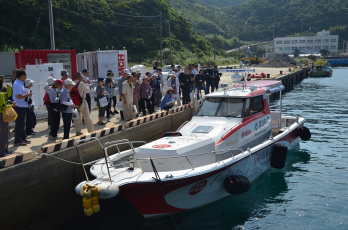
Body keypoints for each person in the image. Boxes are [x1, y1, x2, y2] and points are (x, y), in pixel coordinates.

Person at [12, 69, 31, 146]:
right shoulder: (17, 84)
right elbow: (18, 96)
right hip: (19, 106)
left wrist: (26, 93)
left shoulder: (21, 83)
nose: (26, 77)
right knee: (19, 124)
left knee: (22, 123)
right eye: (25, 75)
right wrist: (27, 95)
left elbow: (21, 94)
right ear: (22, 75)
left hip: (22, 105)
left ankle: (23, 138)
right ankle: (17, 140)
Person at [0, 76, 15, 156]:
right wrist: (11, 106)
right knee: (4, 134)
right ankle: (2, 152)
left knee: (5, 133)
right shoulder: (0, 95)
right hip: (1, 115)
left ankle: (5, 150)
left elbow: (8, 94)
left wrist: (9, 88)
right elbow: (4, 106)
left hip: (2, 115)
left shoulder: (2, 93)